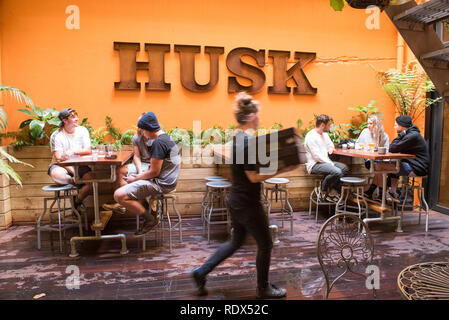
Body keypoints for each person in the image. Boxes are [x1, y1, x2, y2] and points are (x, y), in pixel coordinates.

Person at [190, 92, 298, 299]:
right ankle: (263, 289)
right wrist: (284, 169)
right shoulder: (247, 143)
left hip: (236, 201)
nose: (260, 118)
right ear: (250, 117)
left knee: (236, 242)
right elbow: (254, 177)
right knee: (266, 244)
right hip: (247, 204)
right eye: (258, 114)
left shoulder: (238, 138)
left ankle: (201, 272)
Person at [113, 112, 181, 235]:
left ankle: (150, 219)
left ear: (148, 129)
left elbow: (154, 172)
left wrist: (136, 178)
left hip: (161, 184)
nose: (142, 134)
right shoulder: (166, 138)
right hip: (167, 182)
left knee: (119, 195)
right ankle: (150, 212)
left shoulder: (158, 143)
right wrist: (137, 177)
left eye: (143, 131)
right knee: (129, 186)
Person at [48, 108, 94, 210]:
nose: (77, 119)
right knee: (58, 175)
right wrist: (74, 175)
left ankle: (77, 201)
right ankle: (77, 182)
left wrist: (72, 151)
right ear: (64, 120)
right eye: (73, 117)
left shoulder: (82, 130)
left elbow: (88, 150)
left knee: (92, 183)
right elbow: (59, 159)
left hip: (80, 164)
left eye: (76, 116)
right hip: (61, 165)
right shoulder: (57, 135)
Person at [304, 114, 348, 202]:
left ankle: (333, 191)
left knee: (344, 168)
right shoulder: (311, 136)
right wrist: (330, 163)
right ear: (323, 125)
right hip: (315, 164)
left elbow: (330, 144)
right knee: (337, 171)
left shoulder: (324, 134)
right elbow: (316, 156)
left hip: (325, 162)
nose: (330, 127)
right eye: (329, 125)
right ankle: (322, 189)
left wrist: (331, 147)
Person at [387, 115, 429, 199]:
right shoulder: (411, 133)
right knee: (390, 166)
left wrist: (400, 135)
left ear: (402, 126)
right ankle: (392, 192)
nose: (394, 127)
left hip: (418, 168)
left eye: (395, 125)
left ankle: (390, 192)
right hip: (415, 165)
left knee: (388, 168)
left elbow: (392, 148)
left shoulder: (411, 136)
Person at [356, 115, 389, 199]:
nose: (368, 125)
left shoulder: (384, 135)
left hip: (380, 161)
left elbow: (387, 151)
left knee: (381, 169)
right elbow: (357, 144)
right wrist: (362, 147)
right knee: (381, 170)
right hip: (368, 160)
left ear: (377, 124)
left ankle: (372, 192)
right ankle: (381, 194)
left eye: (371, 123)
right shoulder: (365, 132)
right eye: (368, 123)